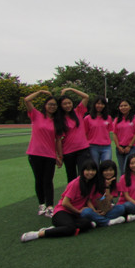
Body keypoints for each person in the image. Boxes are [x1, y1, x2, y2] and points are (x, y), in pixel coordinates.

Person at [21, 160, 99, 242]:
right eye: (88, 170)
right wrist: (78, 211)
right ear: (82, 171)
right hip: (62, 212)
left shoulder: (91, 183)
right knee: (70, 229)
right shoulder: (76, 183)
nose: (90, 172)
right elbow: (65, 203)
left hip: (73, 215)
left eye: (93, 170)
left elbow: (87, 200)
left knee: (88, 223)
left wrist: (94, 212)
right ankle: (38, 234)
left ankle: (58, 229)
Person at [25, 89, 63, 218]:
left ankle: (50, 206)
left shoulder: (57, 121)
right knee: (39, 180)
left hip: (49, 155)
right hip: (35, 153)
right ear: (45, 105)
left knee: (48, 181)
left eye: (54, 105)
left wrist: (60, 156)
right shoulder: (36, 115)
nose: (52, 107)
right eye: (50, 104)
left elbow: (58, 140)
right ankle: (41, 204)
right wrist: (40, 92)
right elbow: (27, 100)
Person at [58, 88, 90, 183]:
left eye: (69, 103)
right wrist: (60, 156)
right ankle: (72, 192)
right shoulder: (60, 118)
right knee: (71, 177)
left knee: (84, 175)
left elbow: (86, 97)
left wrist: (71, 89)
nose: (68, 105)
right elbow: (58, 139)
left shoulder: (78, 112)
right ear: (61, 106)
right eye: (64, 104)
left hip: (82, 149)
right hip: (68, 151)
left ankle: (84, 192)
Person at [80, 160, 127, 226]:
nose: (108, 172)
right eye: (106, 170)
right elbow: (88, 201)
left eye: (111, 170)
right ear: (101, 172)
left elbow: (108, 201)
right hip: (93, 209)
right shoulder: (95, 183)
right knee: (86, 212)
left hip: (105, 209)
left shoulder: (115, 185)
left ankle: (97, 221)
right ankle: (107, 221)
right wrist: (95, 212)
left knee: (121, 208)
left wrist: (107, 187)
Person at [111, 99, 135, 176]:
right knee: (122, 170)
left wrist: (129, 146)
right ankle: (124, 183)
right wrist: (118, 146)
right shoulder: (117, 119)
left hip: (131, 147)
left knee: (127, 168)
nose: (123, 107)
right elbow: (114, 134)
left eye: (125, 105)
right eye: (121, 106)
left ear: (130, 107)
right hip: (120, 148)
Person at [84, 96, 113, 165]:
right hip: (93, 147)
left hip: (106, 147)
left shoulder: (108, 118)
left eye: (102, 104)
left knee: (106, 166)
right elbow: (85, 133)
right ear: (94, 105)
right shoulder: (87, 118)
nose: (100, 105)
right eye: (98, 103)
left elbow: (109, 132)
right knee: (95, 166)